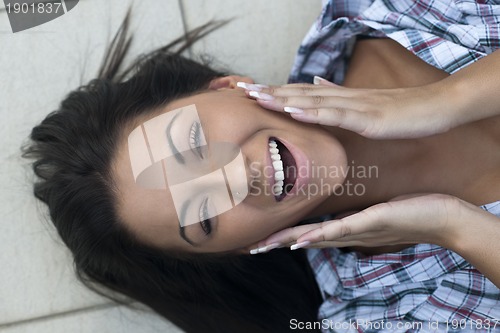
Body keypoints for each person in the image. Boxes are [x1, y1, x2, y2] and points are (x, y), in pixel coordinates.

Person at [22, 1, 500, 333]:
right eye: (204, 217)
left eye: (196, 142)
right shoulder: (378, 313)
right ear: (235, 250)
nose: (235, 178)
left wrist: (445, 100)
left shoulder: (391, 9)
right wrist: (456, 228)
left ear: (227, 86)